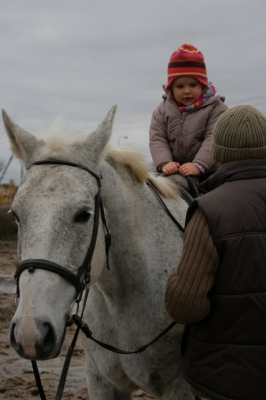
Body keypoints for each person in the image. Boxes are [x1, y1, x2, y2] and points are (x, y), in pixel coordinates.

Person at [165, 104, 266, 400]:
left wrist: (174, 281)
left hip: (225, 379)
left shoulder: (210, 210)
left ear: (218, 154)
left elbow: (185, 307)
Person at [149, 43, 228, 178]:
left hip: (210, 173)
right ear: (170, 89)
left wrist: (198, 165)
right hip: (174, 172)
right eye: (180, 86)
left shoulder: (216, 109)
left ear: (203, 86)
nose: (186, 91)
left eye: (193, 85)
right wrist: (165, 162)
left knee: (218, 197)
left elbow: (214, 139)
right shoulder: (162, 110)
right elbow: (158, 138)